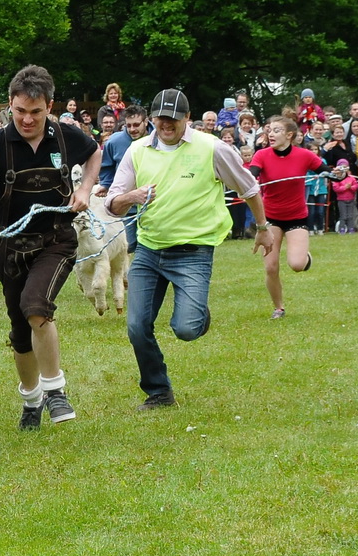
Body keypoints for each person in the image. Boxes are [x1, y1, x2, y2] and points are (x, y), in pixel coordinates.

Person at [0, 65, 99, 429]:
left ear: (50, 106)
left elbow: (94, 154)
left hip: (56, 240)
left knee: (35, 305)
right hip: (11, 246)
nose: (27, 119)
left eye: (36, 112)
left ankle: (56, 390)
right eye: (19, 111)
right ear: (10, 105)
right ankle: (31, 400)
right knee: (19, 330)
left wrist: (85, 189)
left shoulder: (66, 137)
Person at [106, 89, 268, 409]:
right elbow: (113, 204)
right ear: (152, 119)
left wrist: (262, 229)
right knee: (137, 326)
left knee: (186, 329)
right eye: (160, 118)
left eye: (173, 119)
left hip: (193, 252)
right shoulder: (137, 151)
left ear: (187, 119)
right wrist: (131, 196)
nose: (166, 125)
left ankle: (197, 315)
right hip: (149, 251)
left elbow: (248, 187)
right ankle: (159, 391)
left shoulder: (212, 148)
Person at [248, 116, 325, 318]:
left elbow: (327, 171)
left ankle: (305, 257)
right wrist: (247, 181)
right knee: (271, 267)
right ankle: (279, 307)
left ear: (289, 135)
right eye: (269, 131)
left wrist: (339, 173)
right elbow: (251, 174)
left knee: (297, 265)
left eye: (276, 130)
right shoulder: (262, 155)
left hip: (296, 217)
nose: (270, 134)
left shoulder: (305, 156)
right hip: (270, 217)